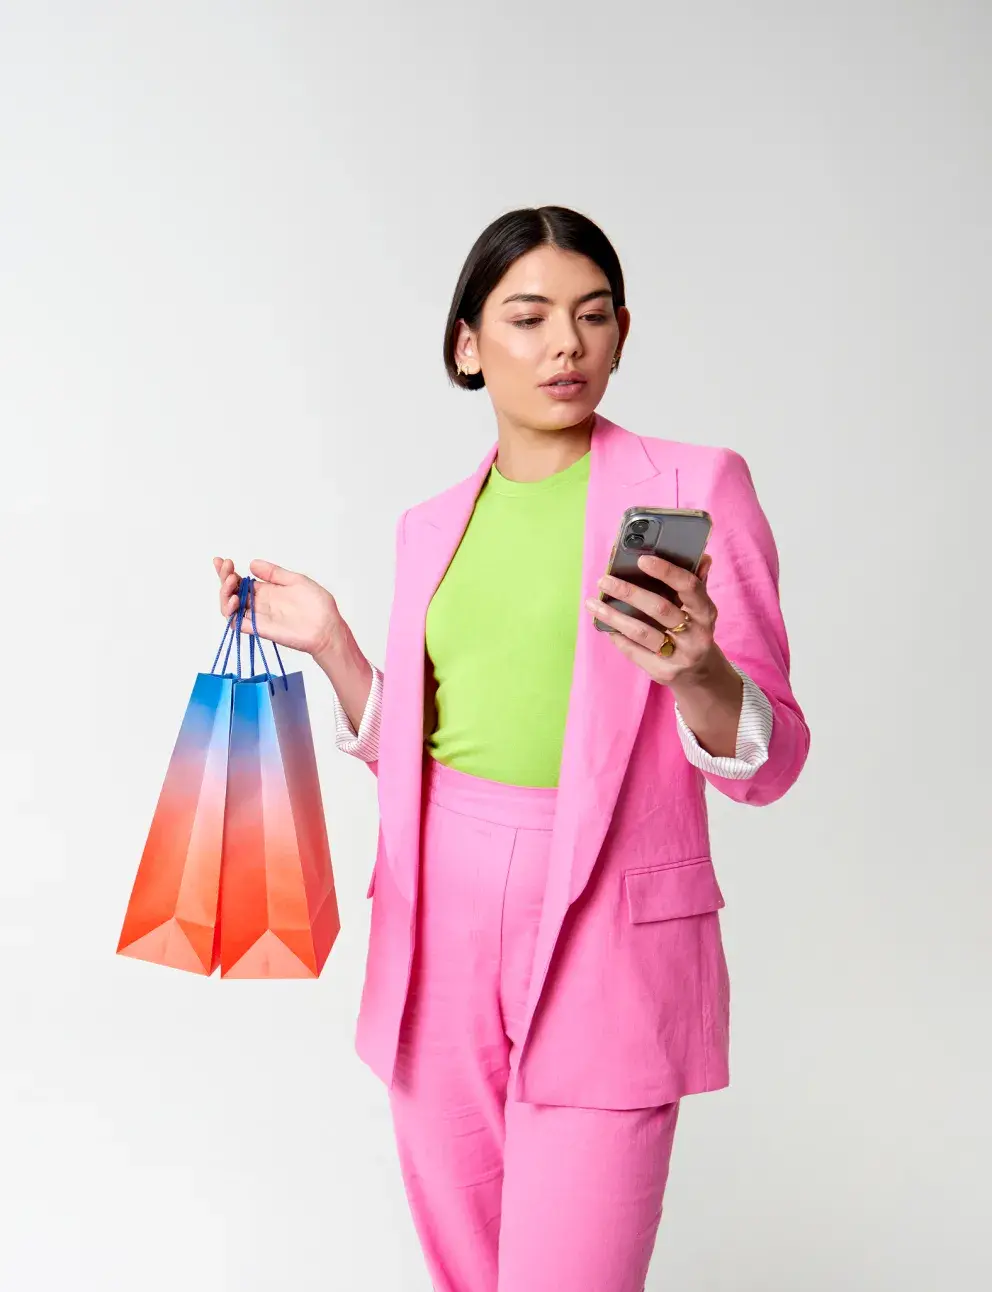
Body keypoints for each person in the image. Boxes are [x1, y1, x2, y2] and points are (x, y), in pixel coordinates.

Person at [213, 205, 809, 1292]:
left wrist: (696, 670)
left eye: (590, 317)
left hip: (608, 936)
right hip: (434, 925)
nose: (563, 345)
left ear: (622, 333)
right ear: (466, 343)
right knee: (466, 1273)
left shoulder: (692, 487)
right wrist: (334, 644)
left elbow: (772, 759)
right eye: (526, 317)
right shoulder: (430, 525)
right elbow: (430, 757)